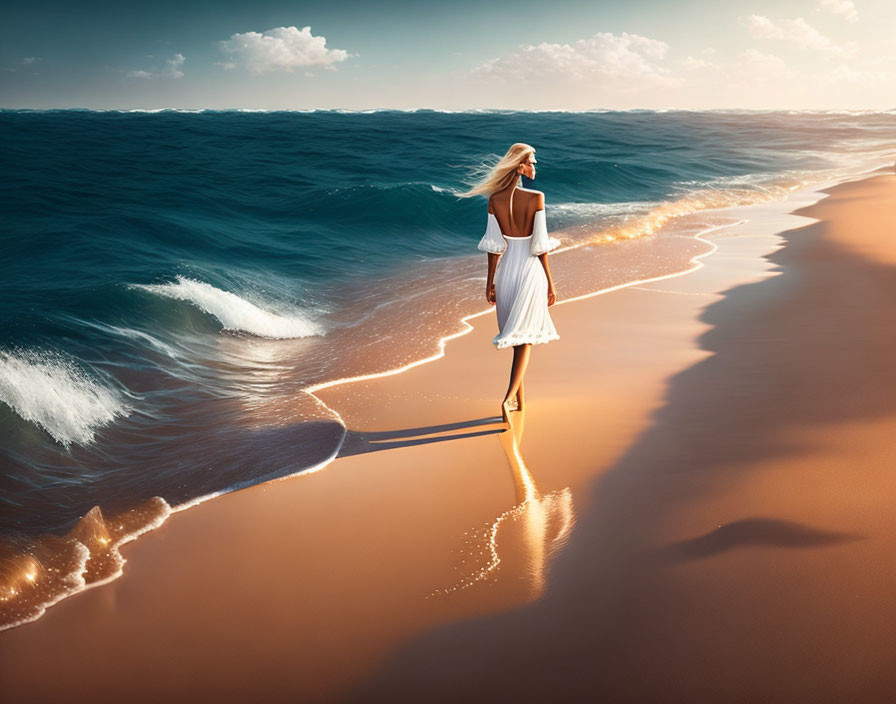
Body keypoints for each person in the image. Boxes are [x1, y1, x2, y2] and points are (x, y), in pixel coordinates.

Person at [459, 143, 560, 422]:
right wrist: (551, 284)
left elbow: (494, 247)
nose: (535, 166)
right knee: (524, 339)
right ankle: (506, 400)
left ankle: (520, 403)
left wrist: (489, 282)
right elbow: (540, 247)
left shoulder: (494, 200)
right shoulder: (537, 198)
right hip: (529, 270)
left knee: (518, 337)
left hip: (506, 273)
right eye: (532, 162)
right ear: (520, 166)